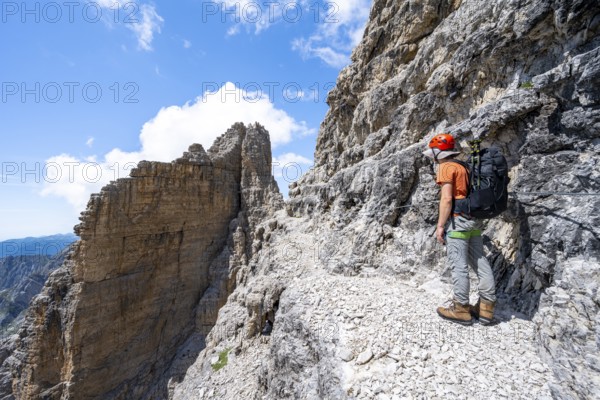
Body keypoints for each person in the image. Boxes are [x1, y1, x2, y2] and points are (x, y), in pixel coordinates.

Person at [423, 133, 496, 325]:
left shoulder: (445, 167)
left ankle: (461, 308)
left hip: (457, 221)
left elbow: (447, 198)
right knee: (480, 261)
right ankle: (486, 308)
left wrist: (440, 226)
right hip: (473, 219)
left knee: (459, 265)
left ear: (437, 153)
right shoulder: (464, 165)